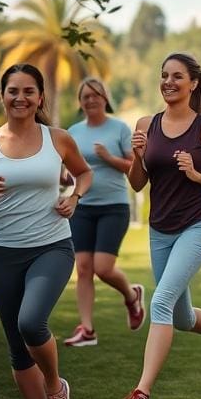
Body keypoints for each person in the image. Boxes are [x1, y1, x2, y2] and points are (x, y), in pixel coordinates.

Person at [114, 53, 201, 399]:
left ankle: (142, 395)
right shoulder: (146, 124)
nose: (168, 82)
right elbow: (138, 183)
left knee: (160, 303)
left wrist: (199, 176)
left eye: (177, 76)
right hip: (160, 231)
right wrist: (137, 155)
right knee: (182, 317)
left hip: (197, 226)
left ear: (193, 84)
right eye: (164, 76)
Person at [0, 64, 93, 399]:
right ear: (2, 95)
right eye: (12, 91)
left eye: (28, 91)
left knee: (30, 322)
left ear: (40, 97)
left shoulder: (57, 138)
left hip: (51, 246)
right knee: (15, 344)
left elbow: (84, 174)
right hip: (3, 253)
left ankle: (56, 387)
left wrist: (74, 197)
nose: (20, 98)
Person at [64, 78, 146, 347]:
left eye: (96, 95)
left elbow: (135, 168)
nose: (90, 100)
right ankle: (87, 329)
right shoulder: (73, 132)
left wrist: (109, 158)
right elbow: (68, 169)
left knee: (103, 267)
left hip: (114, 206)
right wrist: (65, 177)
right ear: (80, 101)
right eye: (85, 96)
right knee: (84, 268)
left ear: (105, 98)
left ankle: (131, 295)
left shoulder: (119, 128)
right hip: (83, 206)